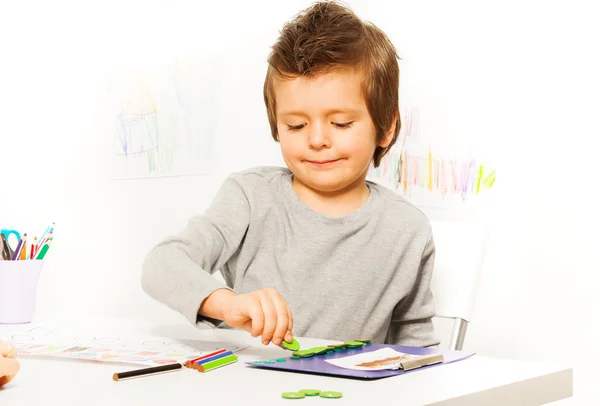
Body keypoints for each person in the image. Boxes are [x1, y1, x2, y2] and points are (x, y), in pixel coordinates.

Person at [141, 0, 439, 348]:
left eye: (341, 123)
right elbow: (160, 265)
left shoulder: (407, 230)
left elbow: (417, 347)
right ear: (277, 126)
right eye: (296, 125)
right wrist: (228, 304)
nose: (317, 140)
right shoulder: (250, 197)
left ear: (386, 129)